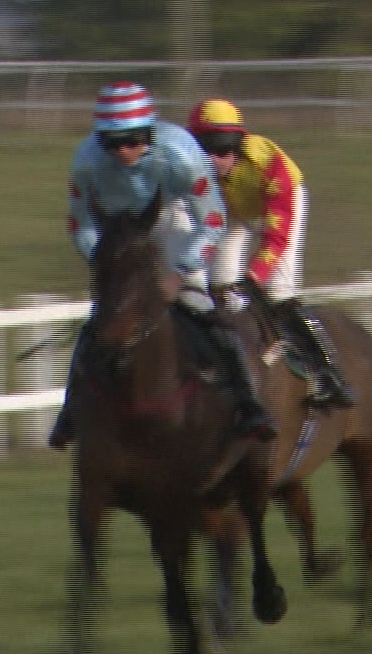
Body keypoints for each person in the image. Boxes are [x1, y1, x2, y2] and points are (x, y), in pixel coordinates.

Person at [48, 82, 275, 450]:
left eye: (134, 140)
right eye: (113, 143)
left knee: (200, 306)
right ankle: (70, 411)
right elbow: (81, 225)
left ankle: (249, 405)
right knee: (103, 316)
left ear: (150, 134)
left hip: (178, 214)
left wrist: (180, 273)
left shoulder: (182, 155)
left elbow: (213, 220)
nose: (124, 151)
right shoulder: (86, 163)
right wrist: (107, 265)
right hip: (122, 229)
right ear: (99, 141)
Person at [185, 98, 354, 406]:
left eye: (221, 150)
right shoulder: (191, 167)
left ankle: (327, 373)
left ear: (238, 145)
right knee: (218, 284)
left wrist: (254, 275)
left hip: (277, 208)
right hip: (235, 210)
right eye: (203, 151)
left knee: (278, 291)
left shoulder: (270, 165)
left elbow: (276, 239)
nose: (212, 161)